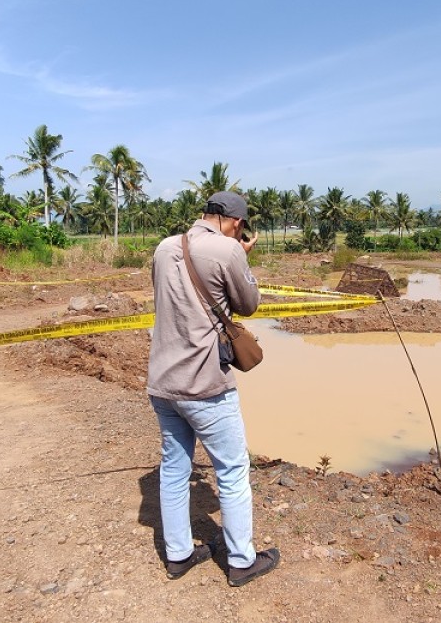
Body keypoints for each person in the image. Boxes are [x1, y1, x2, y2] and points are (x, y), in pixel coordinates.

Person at [146, 190, 281, 587]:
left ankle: (179, 554)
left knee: (173, 467)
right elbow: (248, 303)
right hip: (204, 383)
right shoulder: (228, 250)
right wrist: (242, 257)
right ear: (237, 223)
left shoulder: (165, 246)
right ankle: (241, 561)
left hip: (163, 381)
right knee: (233, 468)